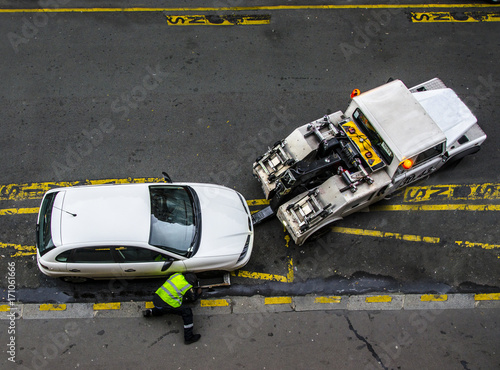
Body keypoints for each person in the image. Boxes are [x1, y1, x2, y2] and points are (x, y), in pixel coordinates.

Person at [143, 272, 202, 344]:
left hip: (157, 298)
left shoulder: (177, 275)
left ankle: (150, 311)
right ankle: (188, 337)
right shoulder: (187, 286)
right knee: (187, 312)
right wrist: (198, 293)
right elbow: (193, 298)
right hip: (165, 304)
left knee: (164, 307)